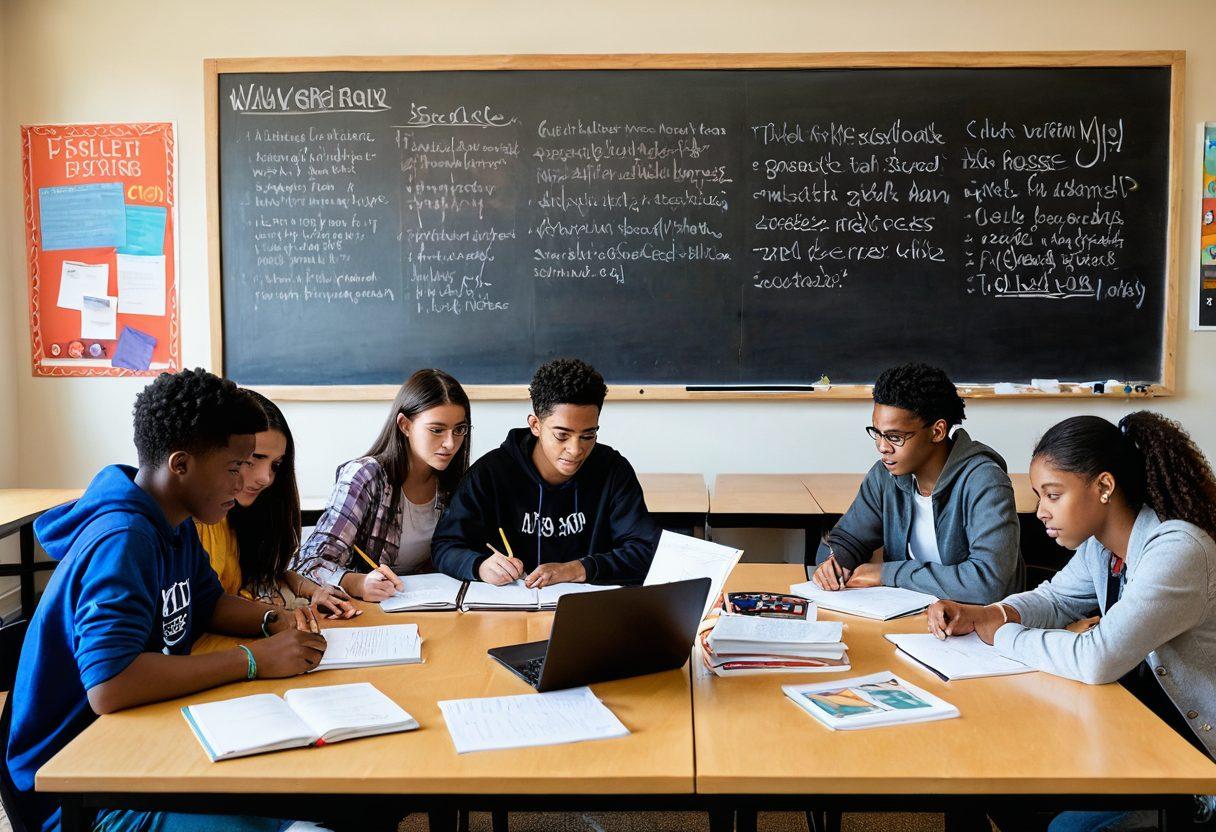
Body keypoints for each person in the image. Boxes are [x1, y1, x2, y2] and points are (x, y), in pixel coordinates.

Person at [3, 369, 328, 832]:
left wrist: (275, 618)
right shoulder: (124, 539)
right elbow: (110, 685)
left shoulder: (175, 521)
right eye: (234, 468)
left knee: (302, 794)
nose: (244, 483)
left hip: (141, 745)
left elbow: (209, 603)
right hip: (82, 792)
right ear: (180, 465)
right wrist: (253, 660)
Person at [928, 412, 1216, 832]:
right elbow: (1056, 598)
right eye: (1039, 495)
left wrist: (1002, 634)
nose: (1040, 511)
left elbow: (1096, 658)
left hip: (1192, 765)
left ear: (1103, 487)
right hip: (1134, 734)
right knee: (996, 787)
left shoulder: (1177, 551)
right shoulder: (1103, 547)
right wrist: (991, 613)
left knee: (1066, 827)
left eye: (1053, 494)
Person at [432, 358, 659, 587]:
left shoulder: (613, 471)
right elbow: (445, 546)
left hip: (587, 611)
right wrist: (479, 566)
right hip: (508, 612)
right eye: (562, 435)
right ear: (535, 425)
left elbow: (645, 550)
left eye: (588, 436)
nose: (575, 449)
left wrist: (578, 569)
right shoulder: (489, 474)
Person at [809, 362, 1021, 604]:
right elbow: (848, 539)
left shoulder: (984, 481)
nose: (882, 446)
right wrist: (834, 562)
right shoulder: (885, 476)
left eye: (895, 437)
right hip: (913, 617)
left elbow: (986, 583)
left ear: (937, 431)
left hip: (982, 627)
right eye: (877, 433)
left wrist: (887, 573)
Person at [294, 369, 471, 601]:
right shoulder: (365, 476)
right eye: (437, 430)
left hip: (430, 606)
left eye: (459, 430)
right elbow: (309, 563)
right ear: (404, 425)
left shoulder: (455, 482)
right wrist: (356, 583)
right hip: (365, 610)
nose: (450, 443)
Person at [195, 391, 357, 620]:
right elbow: (207, 609)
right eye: (253, 459)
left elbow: (266, 573)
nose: (266, 478)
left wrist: (314, 591)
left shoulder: (239, 512)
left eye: (275, 465)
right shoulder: (195, 523)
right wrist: (274, 621)